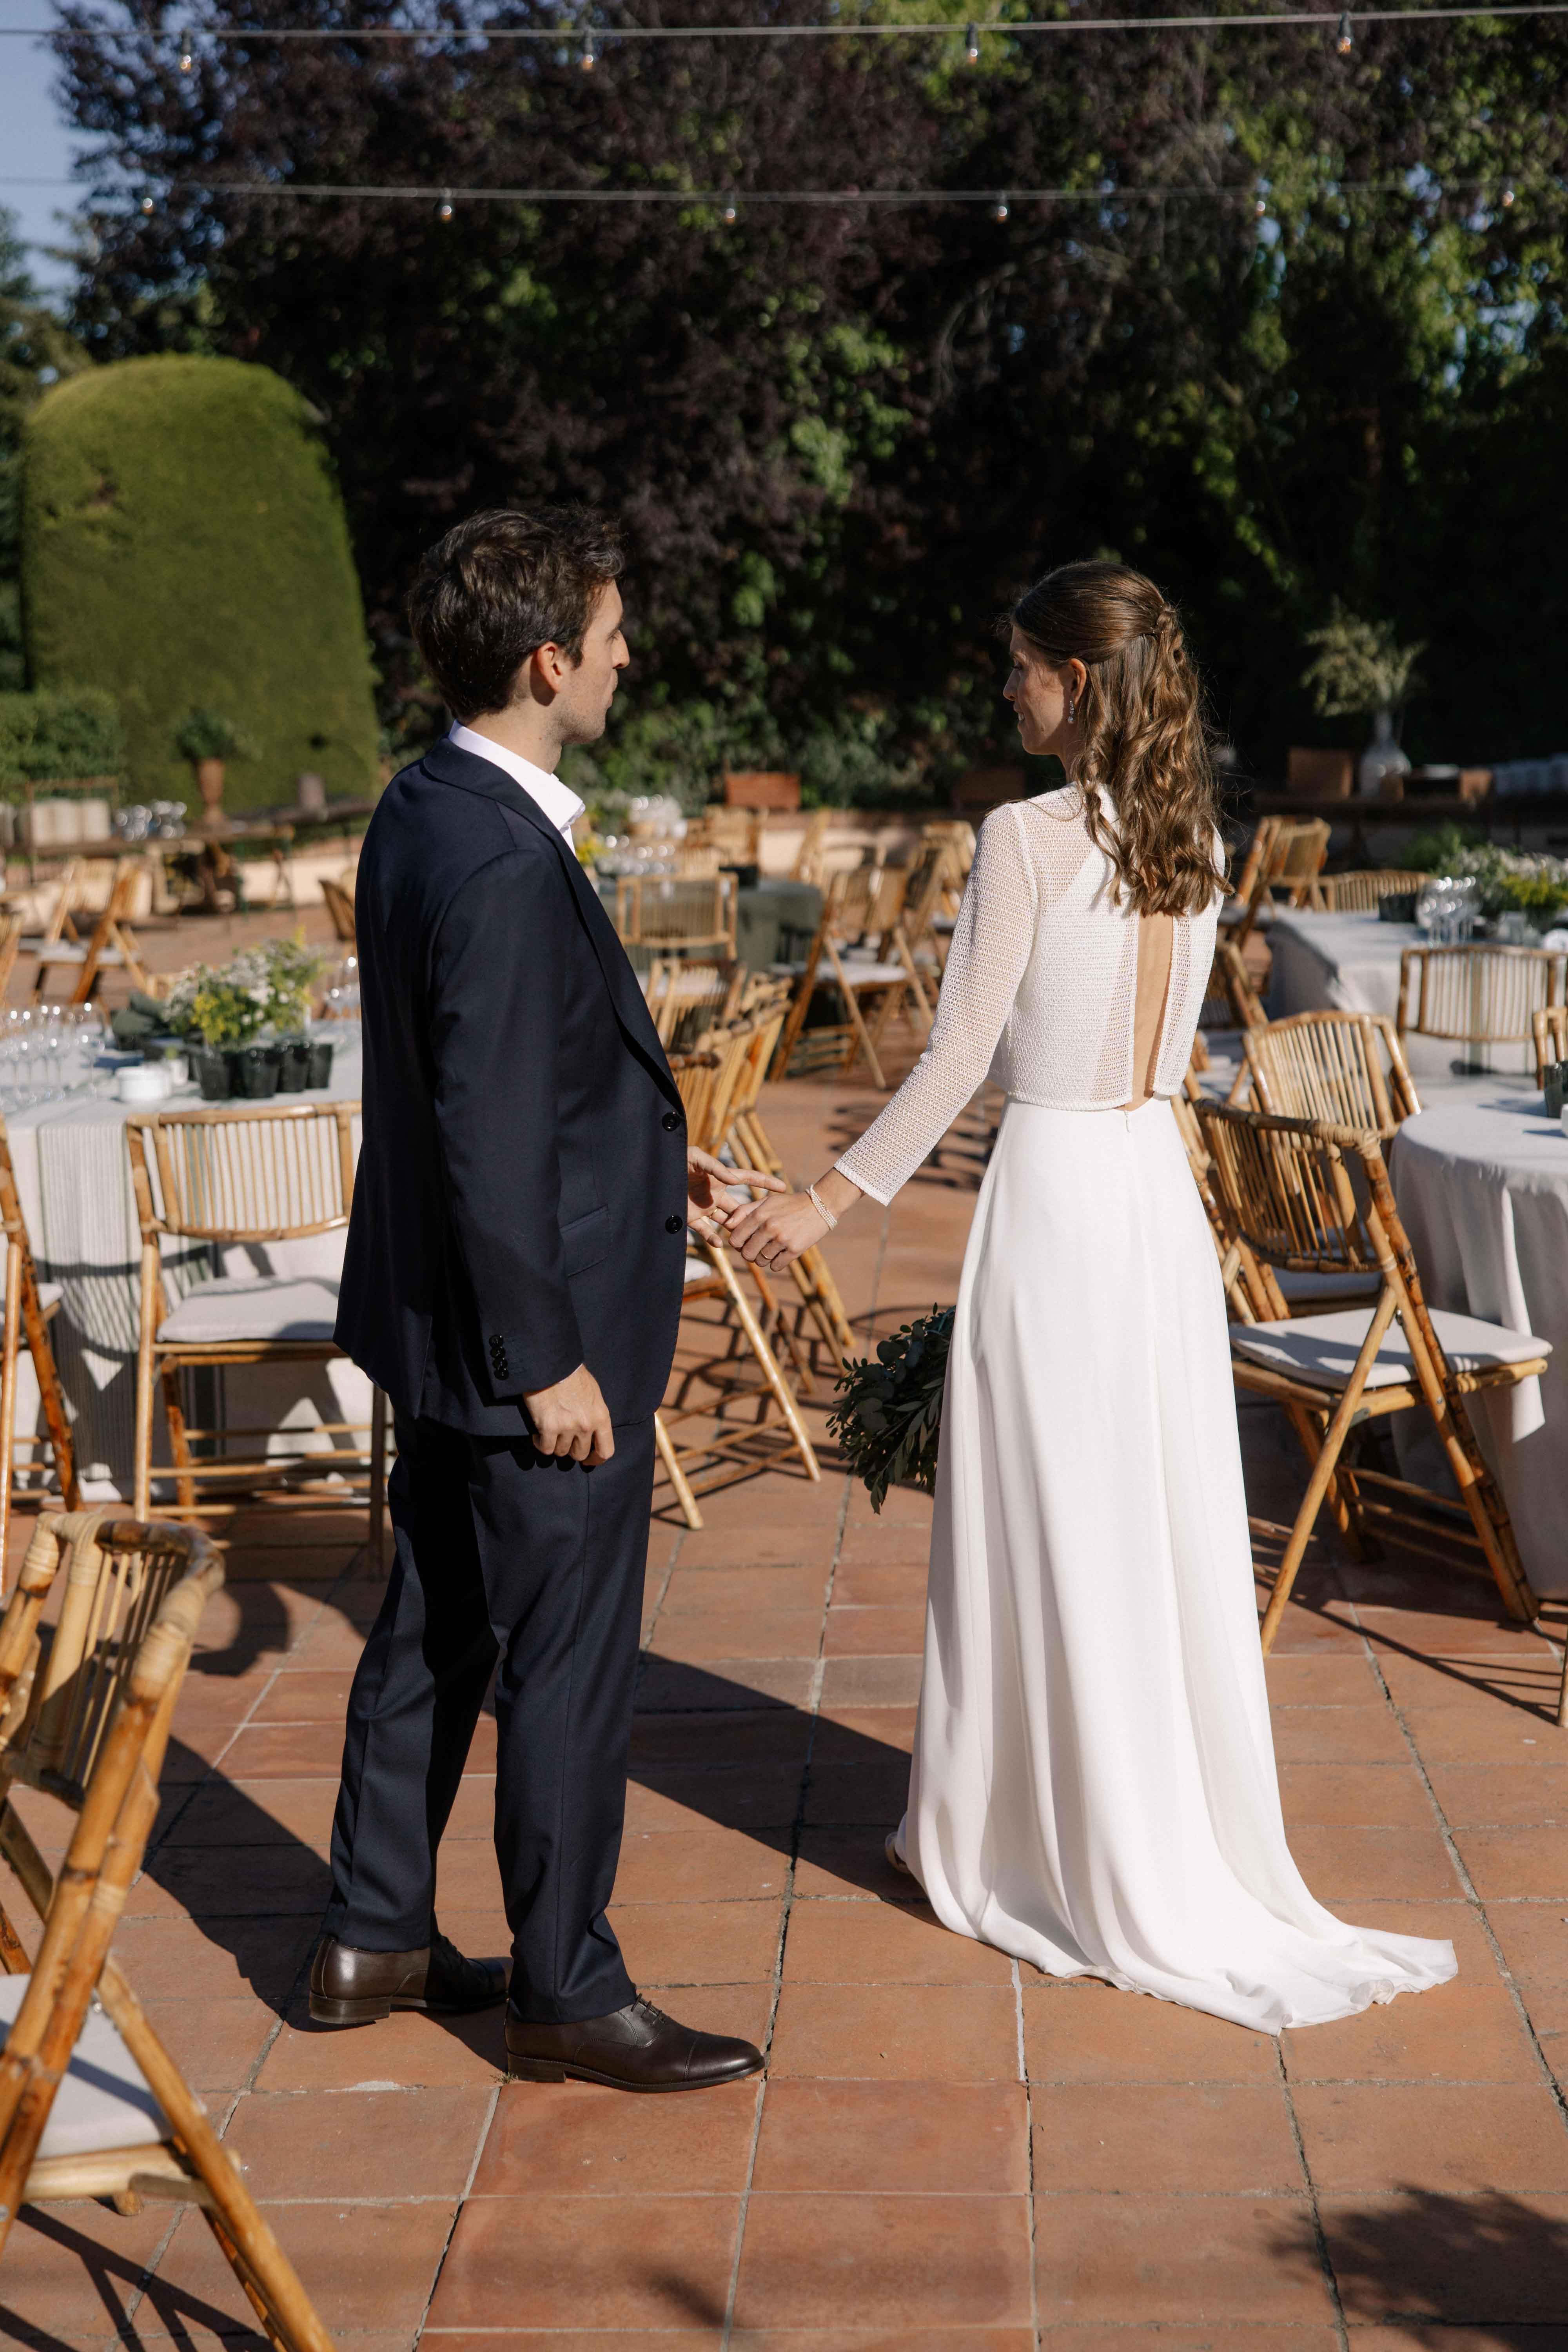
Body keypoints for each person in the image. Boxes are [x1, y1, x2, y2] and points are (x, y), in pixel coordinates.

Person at [722, 560, 1456, 2032]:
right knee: (1149, 1523)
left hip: (1060, 1196)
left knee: (1040, 1523)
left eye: (1023, 669)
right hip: (1152, 1191)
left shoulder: (1026, 837)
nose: (1007, 691)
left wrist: (821, 1201)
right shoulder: (1194, 836)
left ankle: (1020, 1844)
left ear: (1082, 678)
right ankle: (1128, 1832)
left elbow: (953, 1060)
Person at [314, 506, 782, 2091]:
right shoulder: (508, 853)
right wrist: (550, 1364)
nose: (627, 654)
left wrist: (668, 1171)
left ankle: (372, 1929)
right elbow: (487, 1125)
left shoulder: (425, 802)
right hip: (526, 1338)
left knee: (435, 1622)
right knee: (566, 1663)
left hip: (439, 1321)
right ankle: (567, 1987)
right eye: (610, 633)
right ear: (545, 662)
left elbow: (502, 1089)